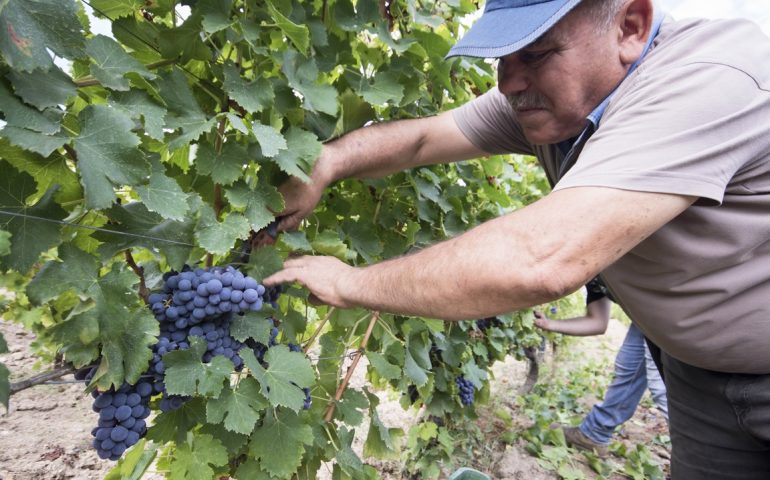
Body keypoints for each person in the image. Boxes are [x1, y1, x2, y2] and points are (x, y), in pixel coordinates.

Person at [263, 0, 770, 477]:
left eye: (535, 53)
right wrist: (327, 162)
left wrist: (349, 282)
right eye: (502, 57)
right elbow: (422, 138)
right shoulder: (551, 102)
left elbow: (539, 260)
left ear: (630, 27)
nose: (508, 82)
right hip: (695, 373)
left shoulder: (707, 77)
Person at [534, 278, 668, 457]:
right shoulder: (593, 275)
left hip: (669, 304)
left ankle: (701, 462)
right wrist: (549, 324)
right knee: (629, 366)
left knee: (662, 387)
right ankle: (594, 433)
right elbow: (598, 321)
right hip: (646, 310)